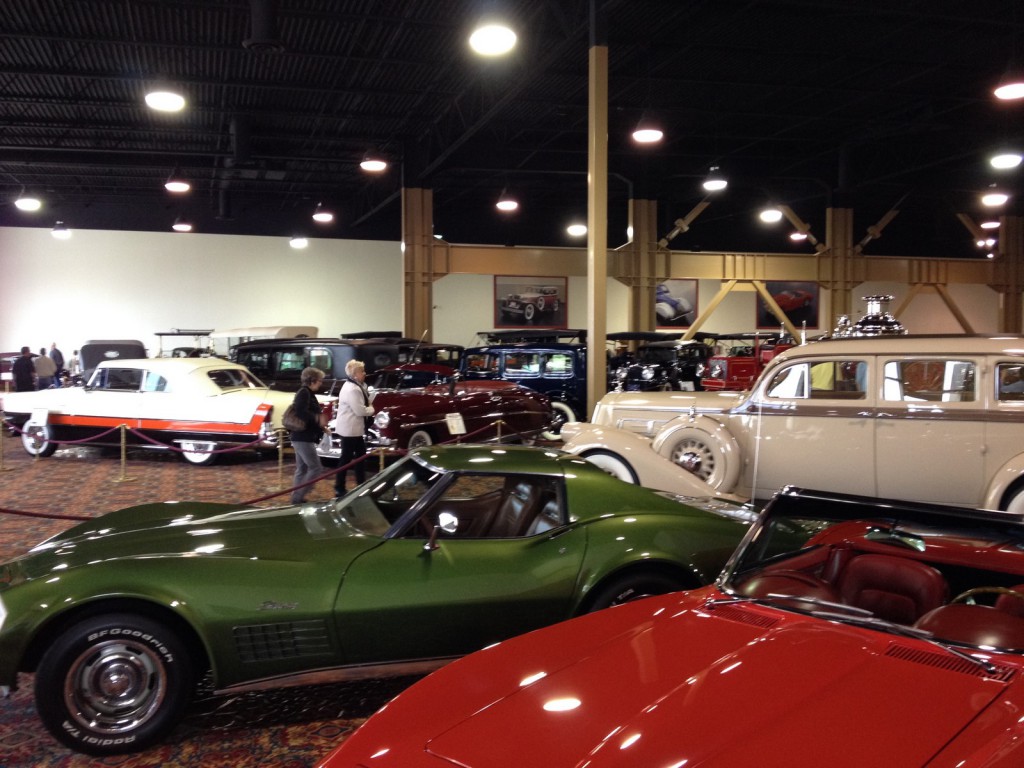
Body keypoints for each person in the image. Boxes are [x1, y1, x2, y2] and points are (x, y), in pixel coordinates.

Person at [334, 359, 375, 497]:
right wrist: (372, 409)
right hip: (350, 429)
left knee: (359, 457)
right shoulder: (353, 389)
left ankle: (359, 484)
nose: (365, 373)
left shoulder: (353, 386)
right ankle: (340, 487)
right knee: (347, 459)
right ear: (355, 374)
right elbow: (360, 410)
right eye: (362, 371)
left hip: (352, 429)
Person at [288, 366, 328, 504]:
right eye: (320, 380)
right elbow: (301, 412)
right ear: (312, 380)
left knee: (302, 468)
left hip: (301, 436)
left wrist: (322, 426)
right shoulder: (304, 393)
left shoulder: (307, 393)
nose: (321, 383)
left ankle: (297, 498)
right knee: (316, 467)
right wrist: (317, 418)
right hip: (303, 437)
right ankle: (297, 497)